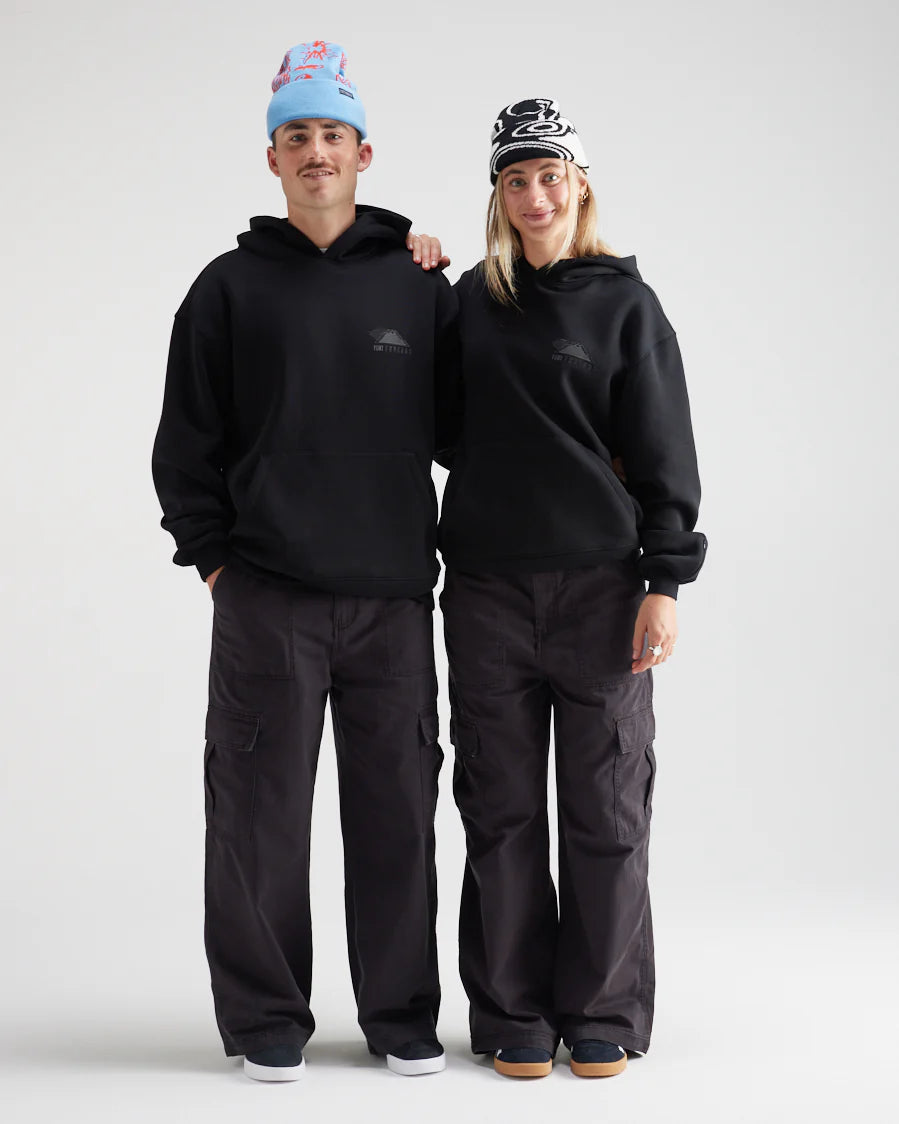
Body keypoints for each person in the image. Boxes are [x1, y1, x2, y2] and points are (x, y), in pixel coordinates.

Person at [151, 41, 456, 1082]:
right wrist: (216, 564)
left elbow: (473, 426)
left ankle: (400, 1012)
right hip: (267, 597)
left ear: (364, 153)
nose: (315, 151)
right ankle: (265, 1015)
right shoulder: (228, 288)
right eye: (296, 136)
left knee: (397, 814)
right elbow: (184, 442)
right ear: (272, 158)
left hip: (392, 597)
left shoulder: (421, 286)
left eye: (332, 133)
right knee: (257, 816)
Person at [435, 98, 707, 1079]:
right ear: (498, 196)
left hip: (602, 590)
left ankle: (599, 1008)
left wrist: (663, 580)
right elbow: (435, 424)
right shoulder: (468, 301)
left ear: (579, 184)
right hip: (485, 590)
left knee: (606, 805)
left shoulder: (626, 307)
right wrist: (404, 266)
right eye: (515, 179)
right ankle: (512, 1009)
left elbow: (664, 448)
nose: (534, 194)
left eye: (549, 175)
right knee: (499, 806)